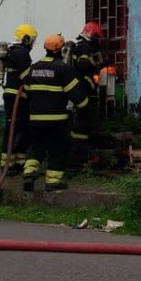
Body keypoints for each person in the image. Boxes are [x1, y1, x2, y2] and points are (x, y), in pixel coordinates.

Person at [20, 34, 89, 192]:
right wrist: (85, 106)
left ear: (45, 48)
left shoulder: (34, 68)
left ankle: (29, 173)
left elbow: (26, 93)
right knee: (57, 149)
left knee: (36, 147)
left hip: (36, 120)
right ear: (59, 50)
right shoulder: (62, 68)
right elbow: (76, 95)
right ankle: (53, 181)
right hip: (57, 121)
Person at [1, 24, 37, 175]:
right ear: (26, 39)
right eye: (32, 40)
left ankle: (19, 162)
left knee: (22, 128)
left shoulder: (13, 51)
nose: (32, 44)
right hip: (17, 97)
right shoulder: (21, 53)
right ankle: (7, 165)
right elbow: (26, 78)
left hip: (16, 96)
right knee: (13, 129)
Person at [67, 22, 104, 168]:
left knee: (82, 120)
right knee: (83, 119)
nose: (98, 40)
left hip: (79, 87)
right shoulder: (85, 47)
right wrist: (95, 67)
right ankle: (79, 154)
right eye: (97, 37)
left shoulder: (81, 46)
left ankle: (80, 153)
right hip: (82, 88)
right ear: (92, 35)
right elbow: (83, 64)